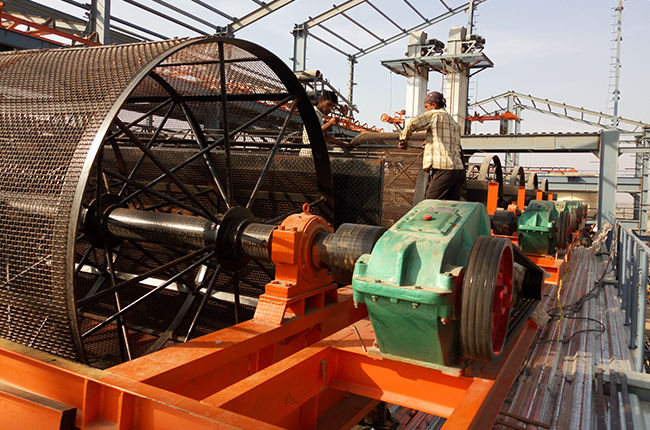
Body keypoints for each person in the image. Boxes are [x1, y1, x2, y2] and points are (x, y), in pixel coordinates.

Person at [398, 91, 465, 201]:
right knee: (451, 205)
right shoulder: (453, 122)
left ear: (434, 105)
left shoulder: (435, 115)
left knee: (430, 202)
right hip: (458, 170)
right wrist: (429, 143)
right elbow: (450, 144)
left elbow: (412, 123)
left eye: (426, 107)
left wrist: (403, 140)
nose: (425, 110)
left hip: (444, 168)